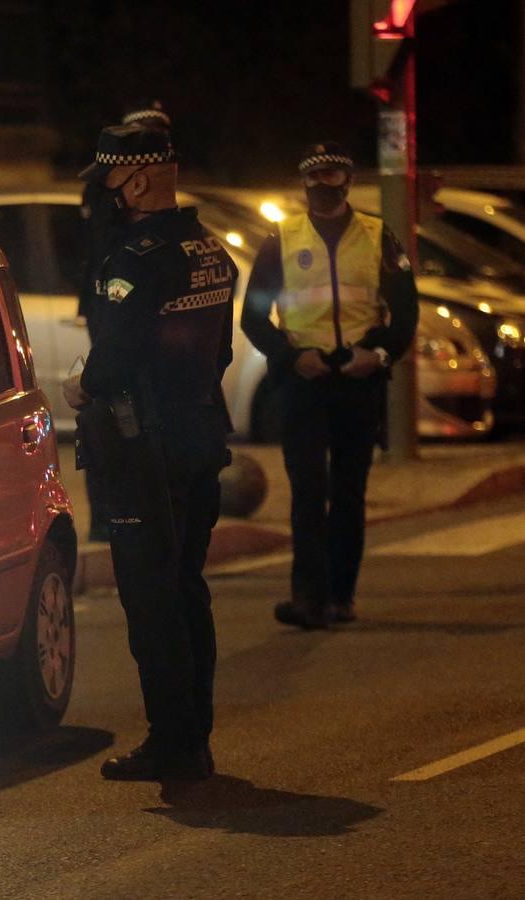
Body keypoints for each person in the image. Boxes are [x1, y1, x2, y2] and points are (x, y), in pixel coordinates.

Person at [64, 124, 236, 781]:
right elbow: (216, 352)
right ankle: (194, 733)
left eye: (106, 179)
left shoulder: (135, 259)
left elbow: (112, 361)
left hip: (145, 447)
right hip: (198, 431)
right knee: (186, 589)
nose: (101, 194)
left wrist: (77, 385)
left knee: (152, 599)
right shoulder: (208, 248)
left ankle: (174, 741)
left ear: (134, 181)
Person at [241, 142, 417, 630]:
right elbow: (254, 317)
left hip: (358, 379)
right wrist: (292, 357)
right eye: (314, 178)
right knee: (307, 491)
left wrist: (377, 354)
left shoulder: (379, 237)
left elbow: (405, 312)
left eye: (332, 176)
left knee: (348, 491)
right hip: (305, 382)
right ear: (304, 185)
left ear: (348, 181)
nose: (323, 186)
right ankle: (308, 598)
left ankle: (342, 595)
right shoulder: (282, 238)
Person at [77, 100, 173, 542]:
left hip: (127, 304)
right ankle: (107, 517)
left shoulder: (163, 225)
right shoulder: (107, 192)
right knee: (106, 414)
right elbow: (102, 249)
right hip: (110, 300)